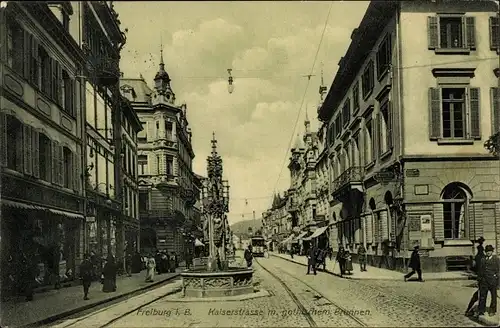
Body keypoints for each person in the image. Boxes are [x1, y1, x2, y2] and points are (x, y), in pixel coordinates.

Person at [476, 245, 499, 317]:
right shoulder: (483, 259)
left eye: (490, 251)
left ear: (492, 252)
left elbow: (499, 270)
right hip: (484, 281)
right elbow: (480, 271)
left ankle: (492, 310)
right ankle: (481, 310)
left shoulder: (496, 260)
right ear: (485, 252)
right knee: (482, 296)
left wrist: (496, 276)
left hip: (492, 281)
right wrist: (479, 280)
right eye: (487, 251)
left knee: (493, 297)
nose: (488, 253)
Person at [465, 237, 485, 316]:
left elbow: (475, 268)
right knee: (480, 295)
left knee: (478, 295)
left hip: (482, 278)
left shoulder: (477, 257)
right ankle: (475, 310)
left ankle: (469, 310)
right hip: (483, 279)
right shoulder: (483, 258)